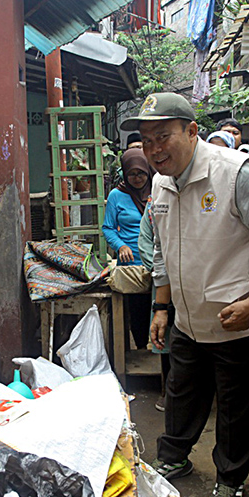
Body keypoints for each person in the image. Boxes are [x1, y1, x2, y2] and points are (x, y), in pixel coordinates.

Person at [121, 91, 249, 497]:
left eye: (163, 137)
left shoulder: (237, 173)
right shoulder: (162, 183)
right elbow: (163, 249)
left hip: (247, 318)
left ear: (192, 131)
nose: (154, 151)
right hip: (190, 315)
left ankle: (231, 477)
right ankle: (176, 457)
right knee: (182, 390)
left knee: (240, 404)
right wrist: (161, 308)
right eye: (146, 141)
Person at [103, 147, 154, 349]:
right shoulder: (117, 195)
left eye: (141, 172)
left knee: (161, 306)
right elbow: (108, 227)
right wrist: (120, 245)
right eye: (131, 173)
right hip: (131, 262)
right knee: (137, 311)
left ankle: (160, 352)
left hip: (157, 260)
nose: (137, 178)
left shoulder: (158, 190)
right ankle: (141, 348)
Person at [138, 201, 173, 414]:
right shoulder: (156, 204)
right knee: (166, 337)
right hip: (164, 285)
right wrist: (162, 272)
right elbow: (145, 242)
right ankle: (168, 392)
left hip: (197, 279)